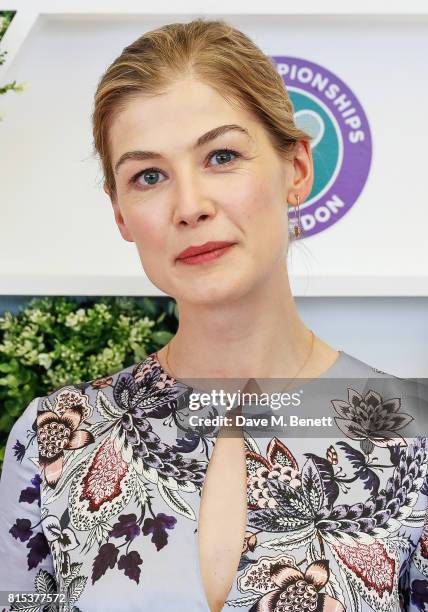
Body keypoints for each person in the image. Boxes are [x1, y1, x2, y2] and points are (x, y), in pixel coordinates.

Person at [0, 17, 427, 612]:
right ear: (121, 213)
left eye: (221, 156)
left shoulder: (414, 437)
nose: (190, 206)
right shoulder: (54, 441)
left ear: (297, 169)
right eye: (148, 176)